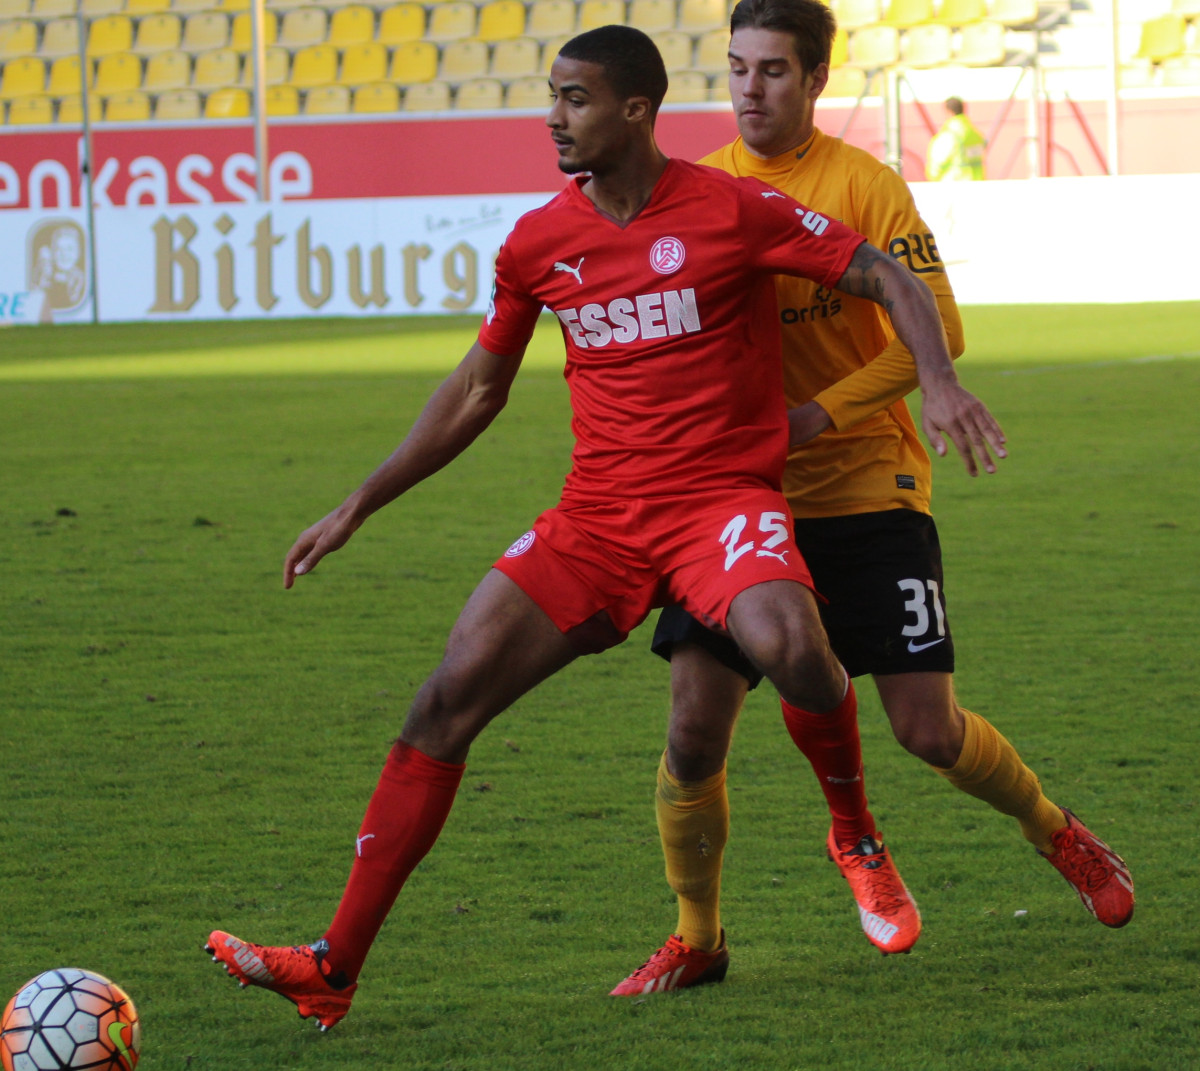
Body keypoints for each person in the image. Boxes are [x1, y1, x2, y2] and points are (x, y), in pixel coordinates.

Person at [202, 24, 1006, 1030]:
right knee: (445, 697)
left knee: (795, 645)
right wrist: (359, 503)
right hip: (599, 518)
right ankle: (333, 965)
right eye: (553, 96)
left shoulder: (734, 208)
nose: (554, 117)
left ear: (636, 111)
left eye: (574, 99)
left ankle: (855, 833)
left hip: (721, 502)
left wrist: (938, 381)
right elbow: (477, 391)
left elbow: (888, 277)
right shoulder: (536, 243)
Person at [609, 0, 1133, 997]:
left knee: (928, 730)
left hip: (866, 486)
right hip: (739, 502)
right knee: (692, 724)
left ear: (816, 81)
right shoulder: (698, 189)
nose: (750, 89)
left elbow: (939, 330)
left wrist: (816, 417)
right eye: (737, 68)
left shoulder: (865, 185)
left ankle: (1055, 830)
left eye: (773, 70)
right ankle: (699, 936)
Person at [926, 96, 987, 181]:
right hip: (976, 183)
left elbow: (936, 166)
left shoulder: (949, 136)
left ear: (949, 112)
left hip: (954, 184)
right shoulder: (976, 135)